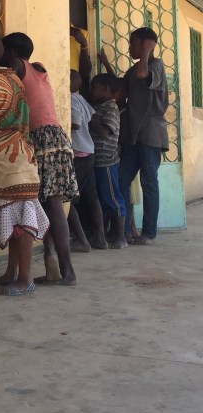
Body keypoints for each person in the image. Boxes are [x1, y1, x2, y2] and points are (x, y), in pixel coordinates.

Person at [0, 33, 49, 296]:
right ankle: (12, 272)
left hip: (12, 163)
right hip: (19, 160)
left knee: (21, 225)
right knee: (16, 223)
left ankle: (25, 279)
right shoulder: (11, 77)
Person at [0, 32, 79, 286]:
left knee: (52, 205)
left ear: (11, 53)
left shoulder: (18, 66)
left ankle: (67, 272)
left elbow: (6, 82)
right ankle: (55, 268)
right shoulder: (39, 69)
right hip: (56, 138)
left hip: (41, 139)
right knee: (48, 205)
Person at [117, 27, 169, 245]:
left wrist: (148, 50)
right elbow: (122, 88)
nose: (130, 47)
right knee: (121, 181)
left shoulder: (155, 66)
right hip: (133, 135)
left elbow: (142, 75)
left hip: (150, 134)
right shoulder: (134, 68)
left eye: (134, 43)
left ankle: (149, 232)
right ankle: (126, 230)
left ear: (147, 45)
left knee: (149, 183)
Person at [69, 69, 107, 251]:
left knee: (67, 198)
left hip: (77, 154)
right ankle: (100, 237)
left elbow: (75, 123)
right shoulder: (81, 99)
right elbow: (91, 119)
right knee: (91, 197)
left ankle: (81, 240)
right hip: (88, 151)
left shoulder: (69, 99)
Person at [89, 73, 127, 249]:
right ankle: (103, 235)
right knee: (104, 199)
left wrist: (91, 119)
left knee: (113, 198)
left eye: (94, 87)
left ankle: (121, 237)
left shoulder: (110, 107)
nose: (92, 91)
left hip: (107, 161)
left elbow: (105, 132)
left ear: (105, 89)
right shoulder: (101, 106)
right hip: (98, 160)